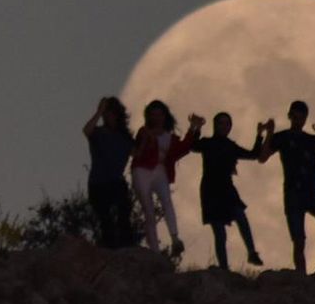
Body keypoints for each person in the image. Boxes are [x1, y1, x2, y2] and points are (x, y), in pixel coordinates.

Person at [259, 100, 315, 273]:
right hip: (293, 191)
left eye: (302, 117)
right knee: (299, 239)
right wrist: (269, 133)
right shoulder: (283, 137)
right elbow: (262, 157)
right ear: (290, 116)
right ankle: (301, 275)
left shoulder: (311, 139)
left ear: (305, 118)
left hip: (312, 188)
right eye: (296, 116)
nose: (299, 120)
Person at [193, 112, 266, 271]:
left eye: (227, 124)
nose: (224, 127)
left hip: (226, 188)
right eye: (221, 123)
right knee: (220, 232)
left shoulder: (230, 146)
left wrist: (259, 135)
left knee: (240, 215)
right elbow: (193, 146)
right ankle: (224, 269)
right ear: (215, 125)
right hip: (210, 190)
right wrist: (196, 127)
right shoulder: (208, 143)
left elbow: (253, 154)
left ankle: (252, 252)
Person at [131, 100, 204, 256]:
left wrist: (194, 127)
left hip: (159, 169)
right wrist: (148, 138)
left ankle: (175, 239)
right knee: (148, 209)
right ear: (149, 117)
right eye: (153, 114)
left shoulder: (169, 137)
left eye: (160, 114)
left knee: (167, 201)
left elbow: (183, 148)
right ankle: (155, 252)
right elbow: (139, 149)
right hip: (142, 169)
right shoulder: (144, 131)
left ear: (165, 116)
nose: (157, 118)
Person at [82, 97, 135, 249]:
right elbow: (86, 130)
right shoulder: (98, 133)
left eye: (111, 113)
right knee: (105, 220)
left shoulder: (124, 138)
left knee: (123, 213)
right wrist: (98, 111)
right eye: (106, 114)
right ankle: (110, 247)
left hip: (116, 182)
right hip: (98, 183)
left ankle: (126, 246)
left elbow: (138, 153)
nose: (108, 116)